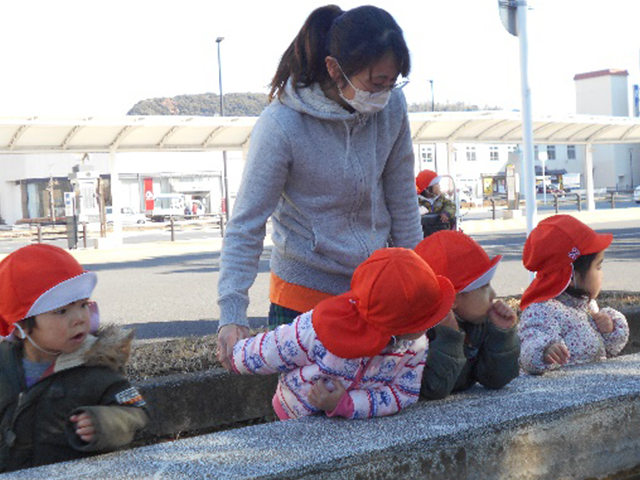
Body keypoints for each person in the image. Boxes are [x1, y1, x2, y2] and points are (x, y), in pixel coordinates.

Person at [217, 5, 422, 369]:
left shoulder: (391, 108)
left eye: (394, 83)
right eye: (376, 83)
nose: (385, 94)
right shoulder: (282, 126)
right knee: (307, 409)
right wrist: (232, 313)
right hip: (303, 298)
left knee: (372, 405)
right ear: (334, 68)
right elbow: (246, 223)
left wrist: (420, 286)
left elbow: (403, 199)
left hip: (373, 293)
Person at [230, 248, 455, 420]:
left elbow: (403, 393)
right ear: (400, 324)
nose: (433, 323)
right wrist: (236, 356)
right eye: (427, 317)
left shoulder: (415, 346)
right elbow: (275, 347)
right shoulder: (325, 325)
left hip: (352, 423)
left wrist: (347, 404)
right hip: (292, 412)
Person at [0, 244, 149, 473]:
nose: (79, 318)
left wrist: (103, 423)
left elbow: (136, 412)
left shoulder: (97, 365)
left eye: (82, 305)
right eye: (61, 311)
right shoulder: (4, 364)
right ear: (22, 325)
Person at [414, 231, 520, 399]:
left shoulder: (477, 321)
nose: (493, 294)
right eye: (484, 286)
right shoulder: (422, 336)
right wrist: (449, 337)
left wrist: (503, 336)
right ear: (452, 300)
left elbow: (495, 379)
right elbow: (433, 389)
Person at [518, 215, 629, 375]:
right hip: (560, 394)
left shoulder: (585, 305)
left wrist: (610, 329)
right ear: (572, 276)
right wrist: (545, 350)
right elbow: (529, 344)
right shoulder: (542, 310)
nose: (602, 274)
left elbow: (609, 350)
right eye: (598, 267)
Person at [415, 169, 456, 234]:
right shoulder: (418, 201)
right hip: (424, 232)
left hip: (441, 231)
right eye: (436, 184)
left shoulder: (441, 199)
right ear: (427, 188)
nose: (439, 186)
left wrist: (446, 213)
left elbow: (451, 205)